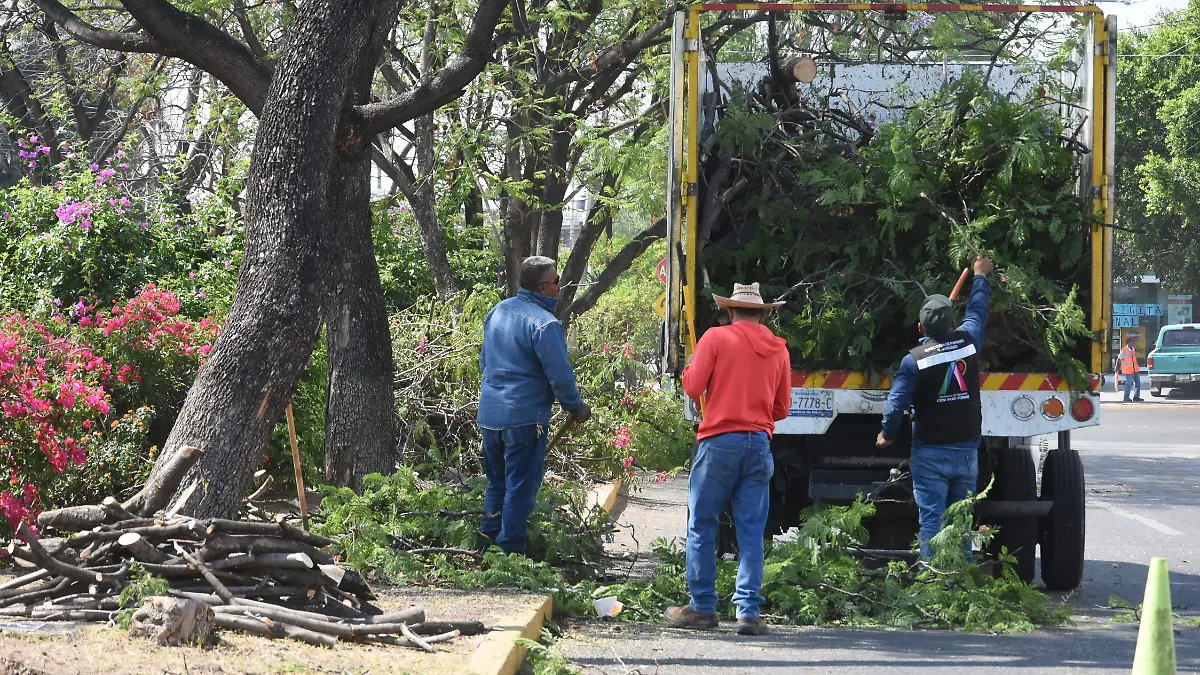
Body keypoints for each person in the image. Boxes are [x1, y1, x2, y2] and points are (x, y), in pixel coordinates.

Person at [666, 282, 791, 636]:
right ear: (763, 313)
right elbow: (781, 408)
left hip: (719, 443)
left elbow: (692, 387)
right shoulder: (779, 349)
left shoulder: (715, 339)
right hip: (758, 445)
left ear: (730, 310)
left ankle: (703, 608)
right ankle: (749, 611)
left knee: (702, 526)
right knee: (751, 532)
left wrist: (692, 369)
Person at [876, 254, 994, 561]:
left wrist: (887, 434)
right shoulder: (969, 342)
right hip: (966, 451)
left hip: (930, 454)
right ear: (954, 324)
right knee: (960, 521)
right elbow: (978, 312)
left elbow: (897, 403)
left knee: (932, 522)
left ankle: (935, 588)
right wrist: (980, 277)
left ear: (920, 326)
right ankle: (959, 583)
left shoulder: (914, 360)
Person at [476, 256, 591, 554]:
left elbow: (484, 362)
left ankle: (485, 545)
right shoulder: (545, 324)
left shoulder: (498, 311)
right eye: (556, 282)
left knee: (497, 482)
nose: (559, 287)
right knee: (520, 487)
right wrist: (576, 407)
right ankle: (511, 553)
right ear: (543, 287)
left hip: (489, 415)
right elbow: (561, 377)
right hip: (524, 419)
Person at [1115, 335, 1143, 402]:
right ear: (1129, 342)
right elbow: (1119, 359)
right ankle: (1126, 398)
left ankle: (1136, 396)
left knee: (1138, 383)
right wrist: (1116, 367)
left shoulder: (1133, 349)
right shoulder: (1124, 350)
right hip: (1129, 371)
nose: (1134, 342)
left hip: (1135, 369)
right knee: (1128, 384)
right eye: (1132, 341)